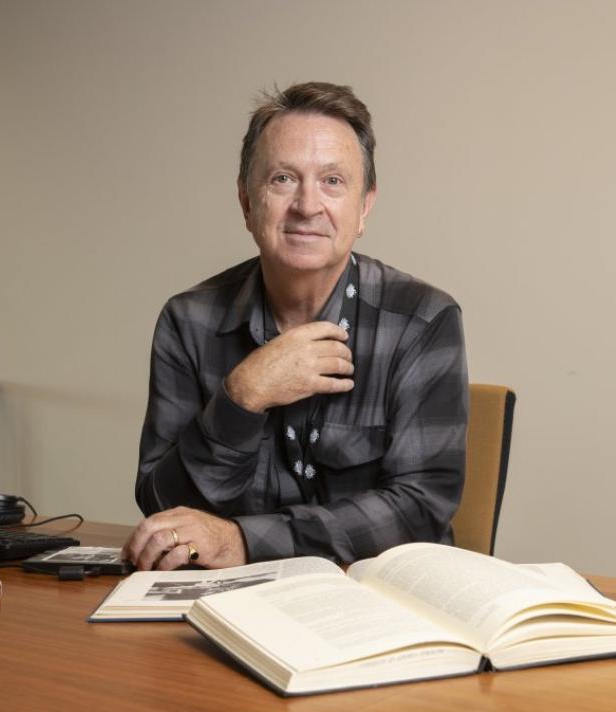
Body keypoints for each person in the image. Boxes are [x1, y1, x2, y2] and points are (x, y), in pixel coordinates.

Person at [123, 82, 468, 571]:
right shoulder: (187, 320)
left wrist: (245, 540)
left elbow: (420, 509)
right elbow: (163, 507)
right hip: (227, 605)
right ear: (247, 202)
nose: (307, 205)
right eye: (283, 179)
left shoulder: (423, 319)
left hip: (376, 606)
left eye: (332, 181)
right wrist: (242, 396)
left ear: (364, 205)